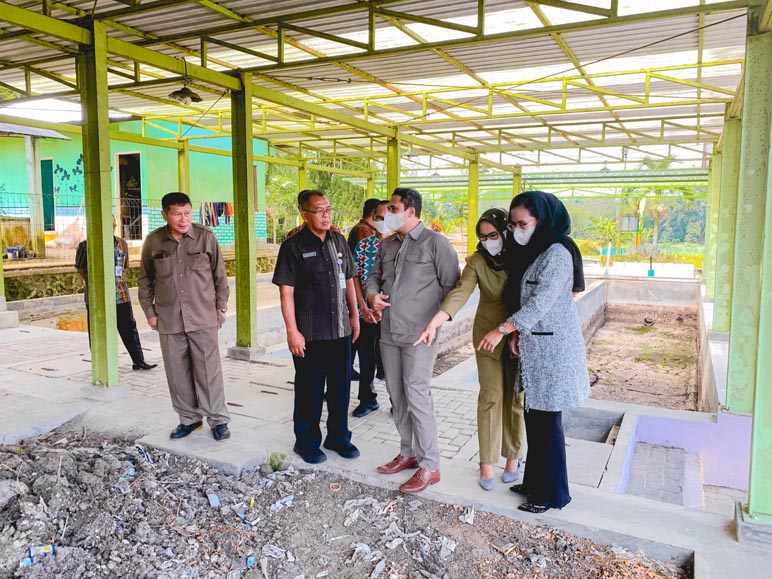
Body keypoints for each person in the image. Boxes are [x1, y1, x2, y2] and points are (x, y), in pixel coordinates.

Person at [477, 191, 589, 513]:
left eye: (522, 223)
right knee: (534, 419)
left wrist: (503, 329)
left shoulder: (557, 253)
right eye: (512, 224)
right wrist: (518, 336)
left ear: (542, 221)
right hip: (535, 347)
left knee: (548, 425)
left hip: (553, 350)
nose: (516, 230)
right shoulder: (537, 251)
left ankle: (551, 495)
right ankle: (533, 482)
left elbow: (541, 303)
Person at [415, 208, 525, 491]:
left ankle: (513, 458)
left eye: (493, 235)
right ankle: (486, 464)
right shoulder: (477, 261)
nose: (488, 240)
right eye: (482, 236)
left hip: (518, 333)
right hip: (487, 334)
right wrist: (436, 321)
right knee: (491, 395)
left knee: (515, 397)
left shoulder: (522, 256)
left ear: (505, 231)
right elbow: (461, 292)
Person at [366, 188, 460, 494]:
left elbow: (451, 288)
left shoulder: (436, 243)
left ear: (411, 211)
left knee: (417, 395)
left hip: (420, 335)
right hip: (389, 331)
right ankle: (408, 453)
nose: (387, 214)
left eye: (393, 208)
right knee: (397, 396)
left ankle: (430, 465)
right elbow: (372, 276)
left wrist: (435, 323)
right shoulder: (387, 244)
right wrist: (372, 295)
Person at [273, 189, 361, 464]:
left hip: (340, 330)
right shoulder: (293, 247)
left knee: (340, 389)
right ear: (304, 213)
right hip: (309, 333)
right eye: (319, 210)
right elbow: (286, 292)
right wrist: (292, 331)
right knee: (310, 391)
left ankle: (338, 437)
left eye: (329, 209)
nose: (326, 215)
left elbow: (349, 280)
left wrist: (355, 316)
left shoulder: (339, 240)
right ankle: (307, 441)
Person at [138, 192, 231, 442]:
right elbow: (145, 279)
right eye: (177, 214)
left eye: (187, 213)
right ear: (165, 214)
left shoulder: (205, 237)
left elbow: (220, 276)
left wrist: (221, 307)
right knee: (177, 374)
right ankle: (189, 419)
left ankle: (218, 419)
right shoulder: (154, 242)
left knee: (208, 371)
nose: (183, 219)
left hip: (203, 316)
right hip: (169, 318)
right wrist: (150, 313)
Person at [75, 225, 157, 372]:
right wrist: (94, 283)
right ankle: (100, 366)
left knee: (129, 328)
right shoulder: (85, 246)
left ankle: (139, 361)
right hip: (96, 298)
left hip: (121, 294)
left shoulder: (122, 244)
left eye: (111, 225)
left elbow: (124, 266)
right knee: (97, 331)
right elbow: (81, 268)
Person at [351, 199, 389, 417]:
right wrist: (363, 307)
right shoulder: (364, 245)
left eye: (388, 218)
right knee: (366, 358)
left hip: (393, 314)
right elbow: (354, 276)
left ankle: (398, 401)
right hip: (368, 313)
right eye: (379, 218)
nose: (383, 222)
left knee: (393, 361)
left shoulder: (403, 245)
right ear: (373, 219)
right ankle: (367, 399)